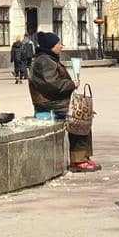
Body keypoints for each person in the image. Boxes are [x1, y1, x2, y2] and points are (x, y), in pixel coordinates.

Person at [29, 31, 99, 173]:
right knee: (79, 117)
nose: (62, 46)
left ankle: (83, 156)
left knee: (85, 113)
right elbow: (51, 84)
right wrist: (71, 84)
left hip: (54, 101)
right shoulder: (44, 61)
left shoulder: (49, 59)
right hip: (48, 103)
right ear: (51, 46)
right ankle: (78, 160)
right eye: (59, 43)